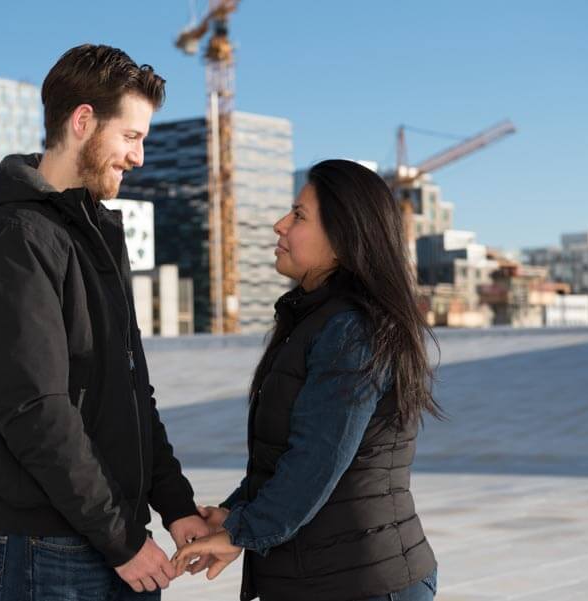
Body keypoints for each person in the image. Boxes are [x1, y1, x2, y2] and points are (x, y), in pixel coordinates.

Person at [0, 44, 211, 600]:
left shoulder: (92, 233)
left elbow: (133, 392)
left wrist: (176, 505)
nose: (139, 157)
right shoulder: (11, 236)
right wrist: (122, 540)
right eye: (131, 137)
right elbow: (35, 409)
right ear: (83, 121)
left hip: (110, 535)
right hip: (56, 550)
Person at [173, 160, 442, 601]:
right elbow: (291, 455)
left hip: (359, 581)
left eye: (298, 216)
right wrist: (235, 514)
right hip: (326, 575)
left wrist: (243, 531)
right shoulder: (318, 319)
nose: (280, 225)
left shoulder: (352, 328)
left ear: (343, 238)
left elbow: (318, 460)